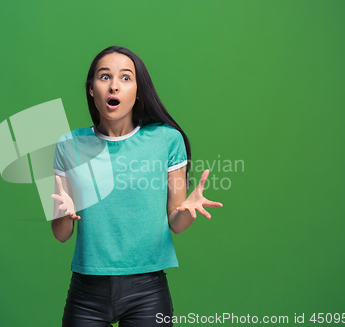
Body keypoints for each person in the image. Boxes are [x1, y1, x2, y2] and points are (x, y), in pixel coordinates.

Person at [51, 46, 223, 326]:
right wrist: (62, 213)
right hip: (86, 292)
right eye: (104, 77)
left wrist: (187, 210)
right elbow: (61, 234)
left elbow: (176, 224)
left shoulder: (167, 140)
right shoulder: (69, 145)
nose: (114, 86)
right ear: (91, 89)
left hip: (147, 291)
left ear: (138, 91)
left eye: (126, 78)